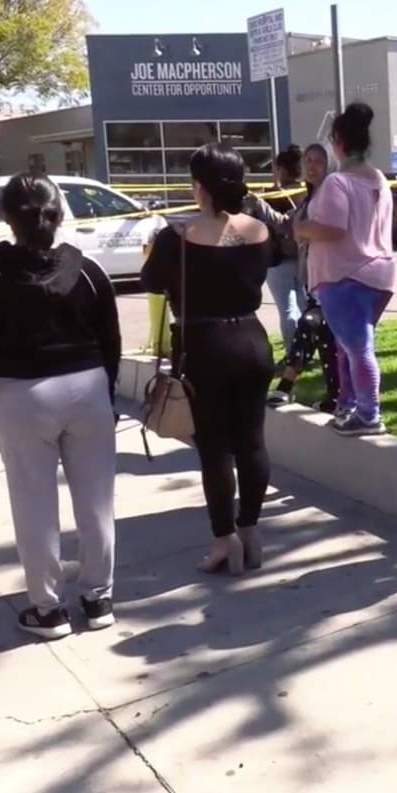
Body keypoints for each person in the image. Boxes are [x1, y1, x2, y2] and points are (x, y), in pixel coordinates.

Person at [0, 173, 120, 639]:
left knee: (34, 506)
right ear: (59, 215)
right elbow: (111, 339)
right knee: (97, 501)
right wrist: (105, 395)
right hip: (88, 388)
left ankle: (48, 610)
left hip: (22, 396)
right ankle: (99, 598)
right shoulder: (88, 269)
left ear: (7, 218)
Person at [141, 143, 274, 576]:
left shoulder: (176, 237)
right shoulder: (258, 231)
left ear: (200, 187)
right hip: (253, 340)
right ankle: (250, 530)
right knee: (252, 441)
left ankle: (224, 539)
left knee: (214, 447)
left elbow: (151, 281)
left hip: (205, 344)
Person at [295, 102, 396, 437]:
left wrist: (301, 228)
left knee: (357, 347)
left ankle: (368, 414)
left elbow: (333, 228)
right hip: (378, 273)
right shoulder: (378, 179)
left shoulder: (337, 182)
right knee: (349, 346)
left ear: (338, 142)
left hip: (344, 275)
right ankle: (348, 404)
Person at [269, 143, 341, 411]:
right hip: (314, 277)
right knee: (323, 337)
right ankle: (335, 396)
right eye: (308, 160)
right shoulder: (308, 197)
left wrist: (303, 229)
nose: (311, 166)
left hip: (335, 277)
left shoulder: (333, 195)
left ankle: (286, 385)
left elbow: (320, 231)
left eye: (318, 161)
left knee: (310, 324)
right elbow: (295, 230)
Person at [266, 144, 307, 352]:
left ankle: (294, 352)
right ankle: (308, 347)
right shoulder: (306, 192)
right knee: (304, 303)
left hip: (279, 258)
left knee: (287, 308)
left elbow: (270, 223)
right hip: (303, 255)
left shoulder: (273, 196)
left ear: (281, 169)